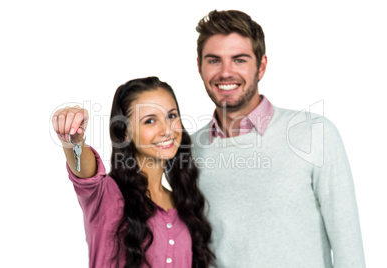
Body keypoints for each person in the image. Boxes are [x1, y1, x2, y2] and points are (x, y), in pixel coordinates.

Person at [191, 10, 365, 268]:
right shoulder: (189, 149)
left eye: (239, 60)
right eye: (214, 60)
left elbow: (348, 248)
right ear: (199, 67)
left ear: (261, 66)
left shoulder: (314, 134)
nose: (225, 73)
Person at [52, 77, 214, 267]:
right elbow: (85, 173)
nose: (167, 130)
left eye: (171, 116)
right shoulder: (107, 197)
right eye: (150, 120)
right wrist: (73, 141)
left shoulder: (184, 202)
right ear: (124, 133)